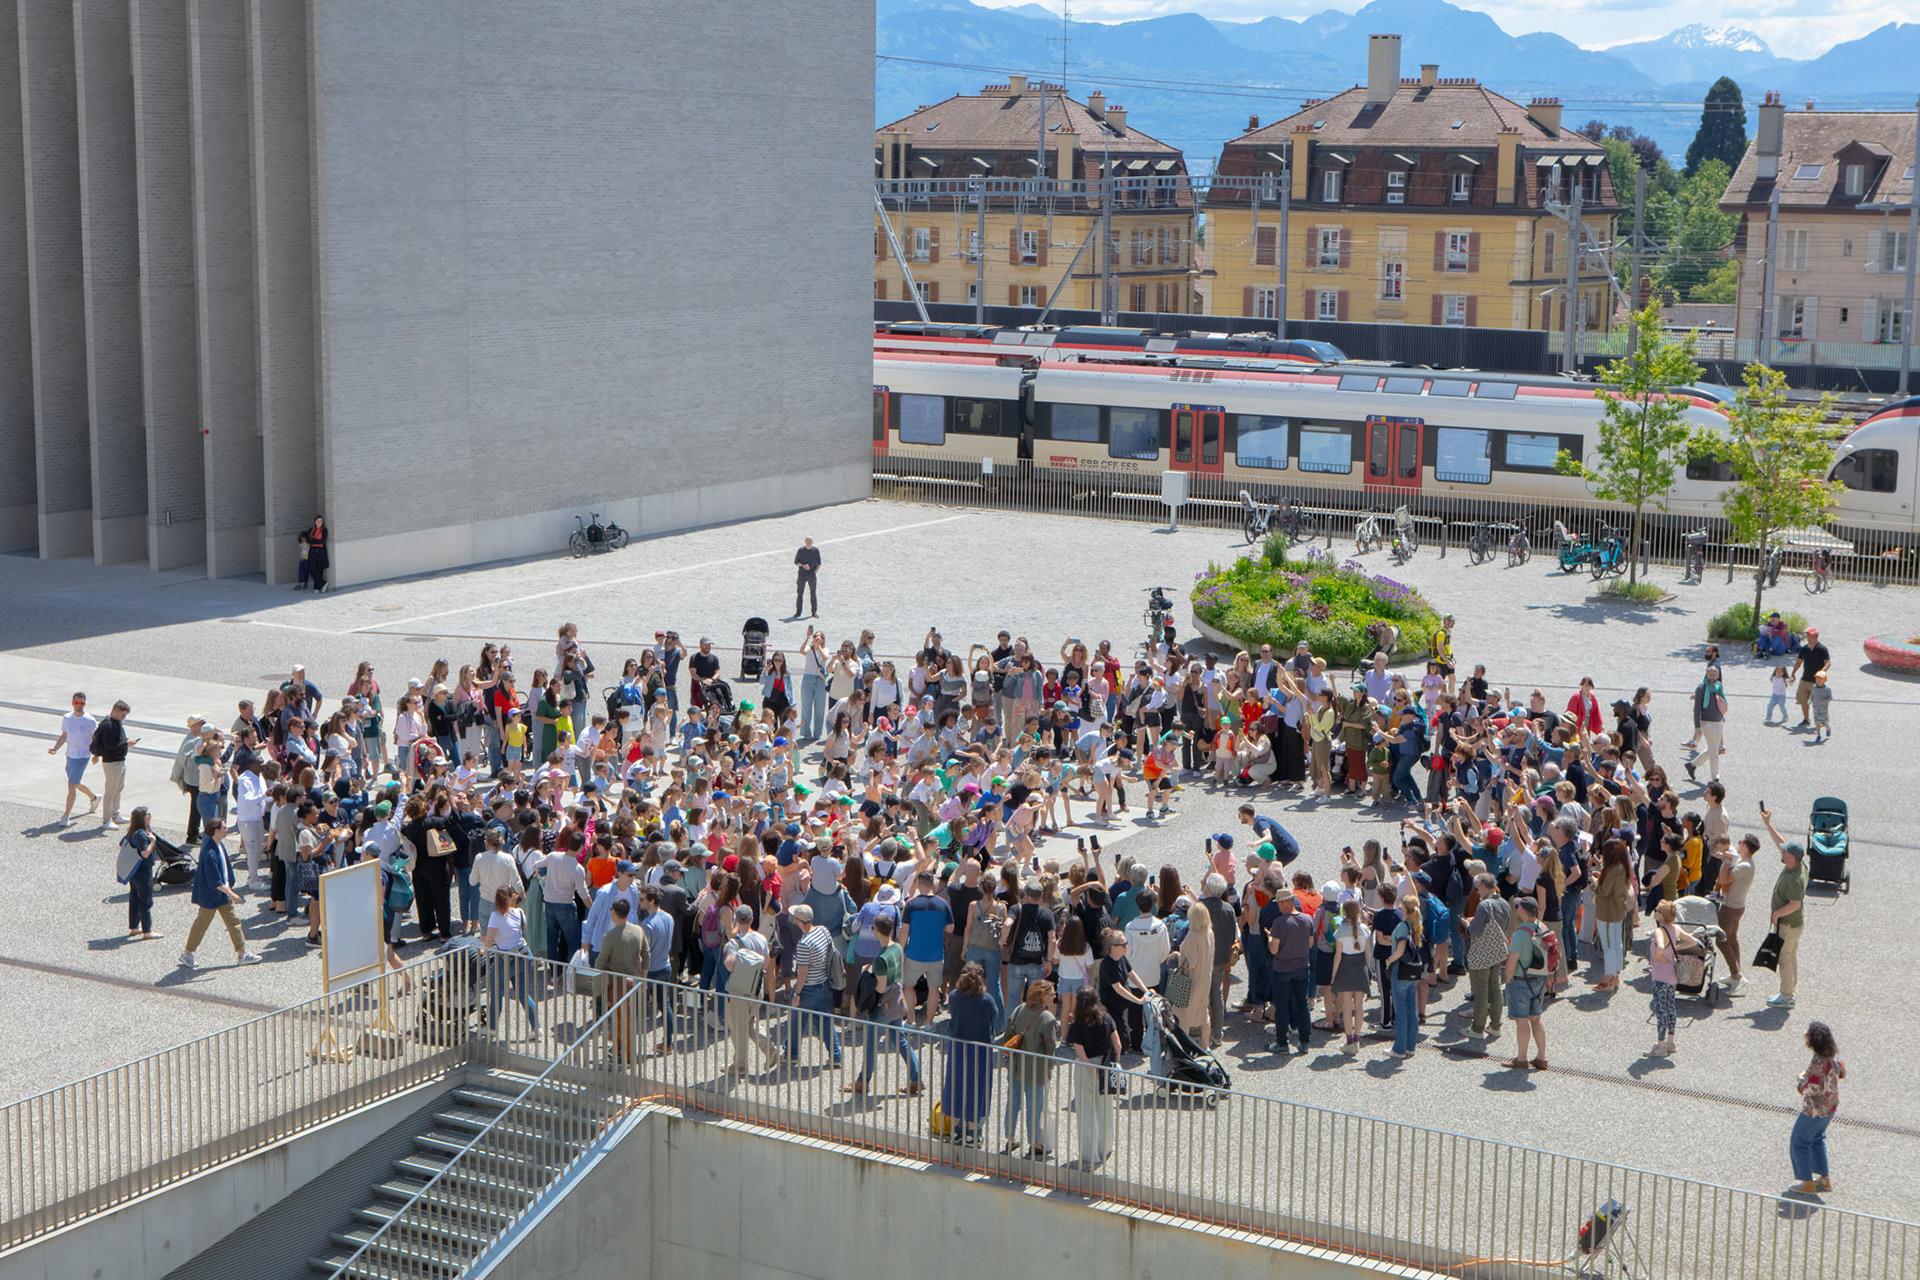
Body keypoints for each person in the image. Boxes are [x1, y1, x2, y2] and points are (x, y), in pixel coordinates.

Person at [848, 914, 921, 1095]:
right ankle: (916, 1079)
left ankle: (862, 1082)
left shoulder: (880, 959)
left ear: (878, 931)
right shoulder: (896, 947)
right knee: (901, 1041)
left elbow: (880, 987)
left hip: (882, 1007)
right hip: (897, 1002)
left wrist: (869, 978)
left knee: (871, 1044)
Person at [179, 819, 261, 968]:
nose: (227, 829)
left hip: (222, 893)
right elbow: (214, 881)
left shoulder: (218, 845)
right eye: (224, 827)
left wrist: (228, 890)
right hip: (211, 895)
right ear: (216, 830)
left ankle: (242, 954)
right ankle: (187, 952)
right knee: (202, 924)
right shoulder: (209, 852)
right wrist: (232, 894)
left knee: (234, 922)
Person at [942, 962, 998, 1147]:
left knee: (956, 1084)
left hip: (958, 1046)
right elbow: (994, 1016)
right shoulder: (987, 999)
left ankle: (956, 1130)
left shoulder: (954, 996)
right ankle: (973, 1131)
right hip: (980, 1048)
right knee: (978, 1087)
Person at [1002, 978, 1058, 1159]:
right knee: (1034, 1106)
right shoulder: (1047, 1018)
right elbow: (1050, 1048)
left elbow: (1008, 1035)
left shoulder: (1020, 1009)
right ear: (1043, 995)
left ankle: (1010, 1137)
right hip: (1036, 1069)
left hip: (1016, 1065)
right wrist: (1050, 1068)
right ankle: (1035, 1142)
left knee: (1013, 1102)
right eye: (1051, 993)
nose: (1054, 997)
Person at [1066, 988, 1122, 1168]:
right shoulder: (1107, 1019)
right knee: (1105, 1108)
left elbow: (1081, 1055)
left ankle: (1091, 1154)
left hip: (1086, 1069)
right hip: (1105, 1066)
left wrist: (1094, 1069)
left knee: (1086, 1111)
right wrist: (1112, 1064)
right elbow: (1118, 1045)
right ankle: (1105, 1147)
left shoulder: (1077, 1025)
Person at [722, 904, 778, 1073]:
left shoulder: (734, 943)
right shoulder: (761, 938)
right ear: (752, 919)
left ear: (736, 920)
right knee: (751, 1023)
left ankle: (739, 1064)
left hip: (739, 991)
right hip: (756, 990)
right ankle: (769, 1048)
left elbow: (730, 966)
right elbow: (766, 963)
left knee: (738, 1028)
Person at [1760, 807, 1807, 1009]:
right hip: (1794, 926)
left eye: (1785, 851)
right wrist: (1768, 824)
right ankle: (1790, 989)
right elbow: (1780, 843)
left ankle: (1787, 995)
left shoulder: (1795, 879)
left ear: (1791, 858)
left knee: (1784, 958)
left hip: (1788, 925)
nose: (1781, 850)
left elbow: (1795, 904)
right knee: (1790, 956)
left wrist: (1777, 914)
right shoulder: (1796, 864)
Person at [1791, 1021, 1844, 1194]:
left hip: (1815, 1109)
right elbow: (1842, 1072)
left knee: (1799, 1141)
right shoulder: (1834, 1056)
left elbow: (1810, 1089)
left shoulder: (1818, 1062)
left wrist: (1801, 1080)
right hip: (1830, 1106)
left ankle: (1806, 1182)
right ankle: (1823, 1178)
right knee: (1817, 1139)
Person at [594, 898, 649, 1063]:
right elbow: (646, 954)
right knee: (624, 1018)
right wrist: (644, 979)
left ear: (614, 912)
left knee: (620, 1019)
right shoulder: (639, 931)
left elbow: (601, 961)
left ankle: (625, 1052)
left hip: (616, 984)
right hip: (634, 981)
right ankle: (620, 1048)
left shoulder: (609, 937)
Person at [1266, 883, 1315, 1056]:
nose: (1278, 905)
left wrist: (1269, 937)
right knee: (1303, 1004)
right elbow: (1310, 944)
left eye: (1279, 902)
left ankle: (1282, 1043)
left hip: (1283, 969)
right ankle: (1304, 1041)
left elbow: (1274, 949)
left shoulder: (1279, 923)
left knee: (1282, 1005)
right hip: (1302, 967)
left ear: (1285, 902)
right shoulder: (1307, 919)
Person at [483, 886, 539, 1039]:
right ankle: (536, 1027)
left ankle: (492, 1028)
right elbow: (523, 928)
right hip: (523, 954)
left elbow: (488, 942)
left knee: (497, 993)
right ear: (512, 898)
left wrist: (483, 950)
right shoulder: (520, 913)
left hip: (505, 958)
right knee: (522, 994)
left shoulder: (495, 916)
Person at [1502, 897, 1550, 1071]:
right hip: (1539, 980)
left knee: (1522, 1021)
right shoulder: (1543, 928)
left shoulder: (1520, 934)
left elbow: (1512, 962)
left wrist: (1508, 981)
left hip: (1521, 982)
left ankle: (1521, 1059)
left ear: (1522, 911)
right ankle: (1541, 1058)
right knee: (1536, 1019)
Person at [1645, 899, 1696, 1058]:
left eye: (1657, 910)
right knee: (1670, 1008)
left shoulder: (1659, 931)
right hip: (1672, 975)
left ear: (1661, 915)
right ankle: (1670, 1042)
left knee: (1660, 1011)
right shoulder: (1676, 929)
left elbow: (1660, 946)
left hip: (1660, 976)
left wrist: (1660, 954)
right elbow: (1693, 941)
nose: (1655, 912)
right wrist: (1674, 951)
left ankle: (1660, 1046)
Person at [1464, 872, 1509, 1038]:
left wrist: (1468, 925)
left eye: (1478, 887)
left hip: (1482, 953)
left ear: (1484, 886)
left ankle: (1477, 1028)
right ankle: (1495, 1026)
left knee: (1481, 990)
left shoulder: (1484, 905)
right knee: (1495, 988)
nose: (1477, 891)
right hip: (1497, 952)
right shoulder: (1504, 903)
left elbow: (1475, 932)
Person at [48, 691, 100, 827]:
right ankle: (94, 797)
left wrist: (96, 754)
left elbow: (95, 738)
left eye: (81, 703)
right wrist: (55, 748)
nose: (79, 706)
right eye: (76, 703)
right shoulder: (67, 718)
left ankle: (66, 815)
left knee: (71, 785)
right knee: (75, 782)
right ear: (72, 703)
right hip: (70, 755)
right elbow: (64, 735)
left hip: (82, 756)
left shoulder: (90, 720)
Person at [1326, 898, 1369, 1054]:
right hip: (1360, 967)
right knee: (1359, 1006)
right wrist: (1368, 971)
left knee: (1347, 1005)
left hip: (1346, 967)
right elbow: (1367, 953)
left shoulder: (1341, 931)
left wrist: (1333, 975)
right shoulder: (1364, 929)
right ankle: (1357, 1040)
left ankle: (1349, 1040)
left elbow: (1337, 957)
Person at [89, 700, 138, 829]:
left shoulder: (116, 723)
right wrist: (127, 743)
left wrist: (125, 742)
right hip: (112, 763)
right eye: (122, 715)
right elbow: (110, 745)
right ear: (115, 711)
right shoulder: (108, 725)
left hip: (120, 761)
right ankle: (106, 820)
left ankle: (115, 815)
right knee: (110, 792)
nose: (124, 718)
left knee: (118, 789)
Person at [120, 806, 160, 941]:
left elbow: (122, 844)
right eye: (148, 814)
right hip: (144, 870)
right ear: (142, 817)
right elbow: (144, 853)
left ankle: (134, 927)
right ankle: (147, 931)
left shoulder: (132, 832)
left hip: (134, 870)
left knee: (134, 898)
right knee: (145, 900)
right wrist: (152, 842)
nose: (150, 816)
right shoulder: (143, 835)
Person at [1685, 666, 1727, 782]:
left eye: (1714, 674)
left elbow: (1721, 702)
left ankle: (1692, 765)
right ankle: (1715, 778)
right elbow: (1696, 709)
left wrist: (1722, 717)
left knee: (1713, 749)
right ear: (1706, 675)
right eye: (1710, 674)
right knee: (1715, 753)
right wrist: (1697, 728)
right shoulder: (1701, 688)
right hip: (1707, 723)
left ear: (1718, 675)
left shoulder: (1719, 686)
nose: (1712, 676)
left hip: (1718, 721)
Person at [1790, 627, 1829, 728]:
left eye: (1811, 636)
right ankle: (1806, 719)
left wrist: (1822, 672)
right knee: (1804, 701)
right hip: (1805, 679)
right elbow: (1799, 662)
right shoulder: (1805, 649)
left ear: (1816, 637)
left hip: (1816, 682)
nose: (1808, 638)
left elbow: (1828, 663)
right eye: (1807, 636)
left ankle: (1820, 720)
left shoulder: (1822, 649)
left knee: (1816, 702)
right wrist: (1793, 673)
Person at [794, 537, 821, 618]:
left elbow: (819, 563)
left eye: (810, 542)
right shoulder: (801, 550)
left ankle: (814, 612)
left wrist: (815, 572)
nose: (809, 543)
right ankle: (798, 612)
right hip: (802, 575)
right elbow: (796, 562)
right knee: (800, 594)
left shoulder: (816, 550)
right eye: (807, 542)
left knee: (813, 594)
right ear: (805, 542)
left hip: (811, 575)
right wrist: (803, 565)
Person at [305, 516, 330, 592]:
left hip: (321, 551)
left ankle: (317, 588)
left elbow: (322, 541)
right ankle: (323, 583)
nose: (319, 523)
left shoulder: (324, 530)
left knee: (319, 569)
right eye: (317, 521)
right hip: (313, 551)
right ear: (315, 522)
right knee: (312, 568)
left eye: (320, 521)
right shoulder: (311, 530)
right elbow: (308, 540)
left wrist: (314, 541)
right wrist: (315, 541)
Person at [1809, 670, 1832, 742]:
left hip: (1823, 708)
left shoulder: (1827, 689)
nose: (1818, 680)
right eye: (1817, 678)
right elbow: (1812, 695)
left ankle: (1827, 727)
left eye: (1820, 678)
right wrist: (1810, 700)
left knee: (1824, 722)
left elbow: (1830, 697)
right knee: (1817, 722)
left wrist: (1825, 701)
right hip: (1815, 707)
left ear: (1825, 680)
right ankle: (1818, 735)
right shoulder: (1814, 687)